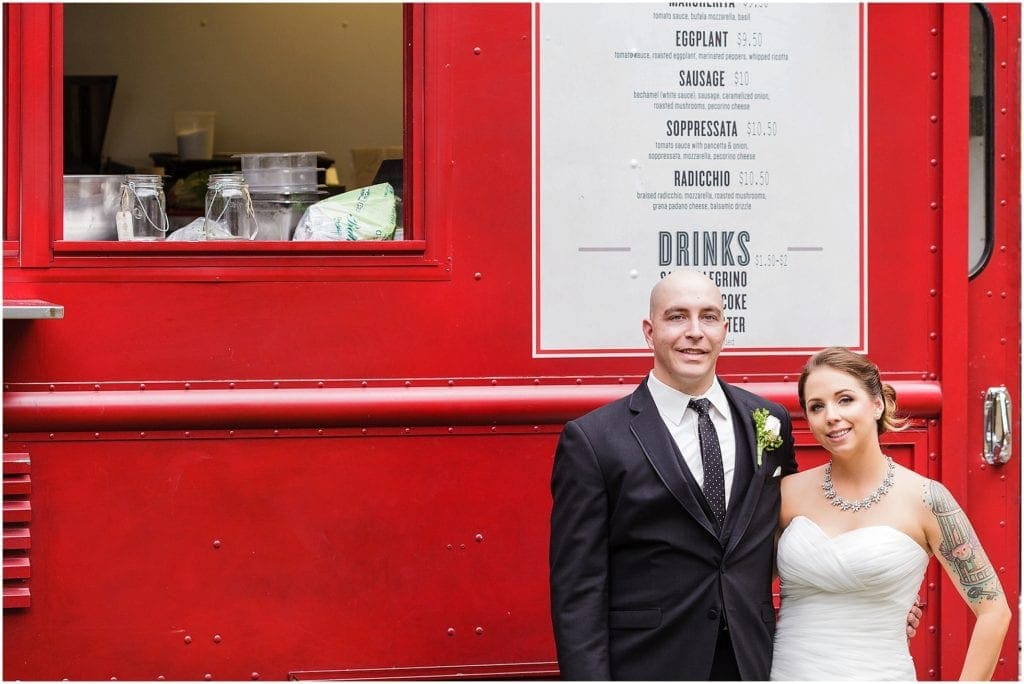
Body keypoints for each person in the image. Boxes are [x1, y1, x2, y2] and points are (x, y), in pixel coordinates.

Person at [549, 269, 798, 680]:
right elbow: (578, 588)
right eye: (677, 316)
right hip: (649, 664)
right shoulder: (594, 440)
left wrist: (879, 590)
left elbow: (798, 525)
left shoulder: (769, 421)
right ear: (650, 333)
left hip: (752, 662)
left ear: (725, 331)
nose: (695, 332)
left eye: (709, 317)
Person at [771, 346, 1011, 680]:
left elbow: (993, 611)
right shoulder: (786, 494)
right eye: (817, 406)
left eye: (845, 399)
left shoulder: (927, 499)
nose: (831, 416)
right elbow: (740, 588)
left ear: (877, 404)